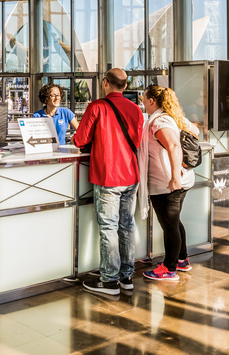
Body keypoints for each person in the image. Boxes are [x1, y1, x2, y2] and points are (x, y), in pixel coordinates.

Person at [72, 68, 144, 295]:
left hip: (108, 176)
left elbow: (79, 139)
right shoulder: (136, 109)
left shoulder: (97, 107)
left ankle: (109, 281)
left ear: (105, 83)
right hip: (131, 176)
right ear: (124, 85)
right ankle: (126, 277)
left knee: (109, 228)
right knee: (127, 226)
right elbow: (137, 141)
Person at [139, 85, 199, 281]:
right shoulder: (171, 116)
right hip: (178, 179)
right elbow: (196, 130)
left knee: (169, 225)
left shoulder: (159, 121)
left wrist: (174, 177)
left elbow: (173, 146)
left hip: (167, 182)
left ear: (151, 101)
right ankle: (182, 259)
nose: (142, 100)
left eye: (143, 97)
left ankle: (169, 268)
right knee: (174, 221)